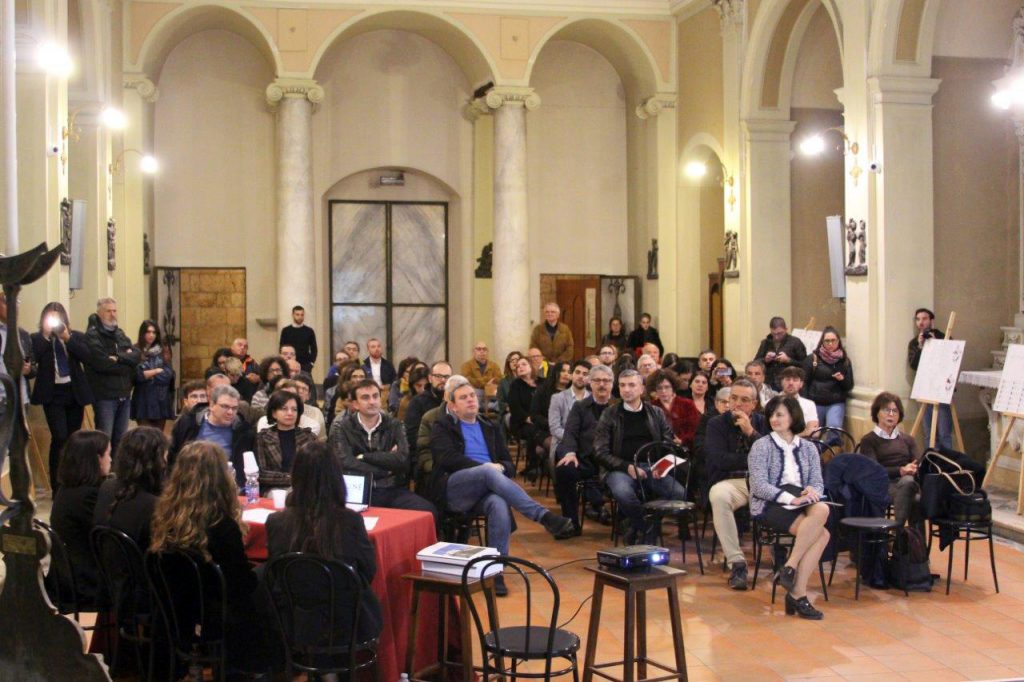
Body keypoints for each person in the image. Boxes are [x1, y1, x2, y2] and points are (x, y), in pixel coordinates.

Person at [428, 376, 576, 595]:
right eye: (463, 398)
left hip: (488, 489)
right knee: (488, 471)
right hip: (456, 488)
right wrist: (486, 468)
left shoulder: (490, 426)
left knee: (498, 503)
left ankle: (495, 571)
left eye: (472, 395)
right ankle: (543, 516)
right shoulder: (443, 426)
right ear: (452, 406)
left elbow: (508, 464)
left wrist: (500, 468)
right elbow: (446, 458)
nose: (471, 400)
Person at [149, 441, 272, 673]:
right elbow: (241, 585)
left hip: (176, 606)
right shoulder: (222, 526)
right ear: (220, 478)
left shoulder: (165, 516)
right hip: (216, 611)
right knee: (267, 577)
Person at [265, 440, 383, 644]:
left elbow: (276, 572)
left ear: (295, 476)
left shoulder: (276, 522)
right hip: (346, 620)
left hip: (295, 620)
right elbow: (367, 571)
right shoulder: (350, 521)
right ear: (336, 477)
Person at [748, 395, 829, 620]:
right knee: (822, 535)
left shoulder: (809, 448)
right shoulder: (761, 446)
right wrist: (789, 499)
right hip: (771, 502)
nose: (774, 419)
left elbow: (818, 481)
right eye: (771, 415)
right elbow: (758, 486)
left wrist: (811, 490)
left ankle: (789, 566)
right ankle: (798, 594)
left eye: (779, 414)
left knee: (823, 509)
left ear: (793, 417)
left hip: (802, 499)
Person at [594, 369, 688, 544]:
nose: (626, 389)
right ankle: (647, 527)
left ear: (642, 389)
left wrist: (662, 465)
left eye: (631, 385)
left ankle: (641, 524)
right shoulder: (609, 414)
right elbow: (600, 452)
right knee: (623, 493)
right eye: (622, 385)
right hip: (620, 468)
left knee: (679, 493)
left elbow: (668, 444)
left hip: (651, 467)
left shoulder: (656, 413)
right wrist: (627, 467)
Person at [330, 379, 438, 520]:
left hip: (392, 488)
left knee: (428, 512)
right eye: (365, 397)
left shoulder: (394, 425)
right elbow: (345, 462)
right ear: (355, 404)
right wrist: (385, 469)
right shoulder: (343, 427)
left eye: (375, 396)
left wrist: (364, 457)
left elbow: (403, 460)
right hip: (358, 491)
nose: (372, 401)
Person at [704, 379, 768, 590]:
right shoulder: (716, 424)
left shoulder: (763, 422)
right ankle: (737, 564)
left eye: (744, 400)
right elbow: (719, 460)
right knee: (718, 495)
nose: (737, 404)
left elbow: (771, 458)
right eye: (734, 398)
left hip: (761, 481)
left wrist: (751, 433)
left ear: (754, 404)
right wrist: (753, 459)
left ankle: (782, 560)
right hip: (731, 481)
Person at [30, 302, 93, 493]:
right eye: (50, 316)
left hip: (73, 392)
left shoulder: (75, 336)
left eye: (57, 317)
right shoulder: (37, 339)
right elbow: (34, 358)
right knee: (59, 437)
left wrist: (67, 339)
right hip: (52, 394)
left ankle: (72, 481)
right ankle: (57, 486)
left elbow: (87, 357)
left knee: (73, 439)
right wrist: (46, 335)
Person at [50, 430, 111, 606]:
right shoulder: (87, 496)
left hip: (70, 575)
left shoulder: (68, 488)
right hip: (85, 582)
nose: (111, 460)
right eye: (108, 454)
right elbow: (107, 537)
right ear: (97, 459)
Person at [555, 364, 613, 529]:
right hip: (586, 460)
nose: (602, 384)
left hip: (612, 461)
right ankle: (571, 523)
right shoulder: (580, 407)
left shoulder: (618, 407)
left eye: (606, 381)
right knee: (565, 469)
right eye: (597, 380)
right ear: (590, 383)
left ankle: (624, 521)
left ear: (612, 383)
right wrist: (570, 453)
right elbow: (570, 433)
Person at [94, 425, 167, 550]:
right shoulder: (153, 505)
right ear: (156, 462)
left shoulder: (106, 487)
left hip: (105, 560)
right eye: (164, 457)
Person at [83, 297, 140, 452]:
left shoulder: (119, 334)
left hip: (124, 394)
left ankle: (117, 467)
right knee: (104, 439)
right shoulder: (92, 336)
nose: (113, 314)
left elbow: (136, 356)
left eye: (115, 311)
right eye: (108, 311)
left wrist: (119, 358)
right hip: (105, 396)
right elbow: (102, 364)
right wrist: (126, 362)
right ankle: (103, 467)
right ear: (99, 313)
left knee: (121, 441)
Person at [168, 384, 254, 484]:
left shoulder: (244, 432)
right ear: (212, 405)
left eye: (234, 408)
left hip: (227, 483)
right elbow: (172, 458)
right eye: (225, 406)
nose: (230, 412)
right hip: (189, 481)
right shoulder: (187, 423)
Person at [858, 392, 921, 527]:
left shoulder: (908, 439)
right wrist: (900, 470)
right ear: (877, 413)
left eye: (895, 411)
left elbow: (918, 462)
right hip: (883, 484)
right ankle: (904, 533)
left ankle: (900, 532)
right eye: (887, 410)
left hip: (908, 483)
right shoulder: (868, 440)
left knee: (911, 487)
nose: (891, 414)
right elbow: (873, 471)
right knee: (915, 497)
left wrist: (913, 468)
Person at [908, 307, 953, 449]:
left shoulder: (944, 337)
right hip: (924, 388)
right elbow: (913, 365)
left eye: (924, 318)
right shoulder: (914, 342)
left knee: (944, 432)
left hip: (941, 390)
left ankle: (947, 460)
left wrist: (935, 345)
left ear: (931, 320)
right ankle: (931, 459)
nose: (921, 322)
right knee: (929, 433)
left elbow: (949, 362)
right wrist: (920, 347)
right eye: (918, 319)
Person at [255, 389, 317, 492]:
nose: (290, 413)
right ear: (274, 413)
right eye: (284, 409)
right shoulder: (263, 437)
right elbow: (261, 473)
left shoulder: (309, 437)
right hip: (274, 488)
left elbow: (317, 468)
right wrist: (290, 478)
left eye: (294, 409)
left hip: (304, 488)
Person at [802, 326, 853, 444]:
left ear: (838, 341)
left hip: (835, 402)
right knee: (813, 434)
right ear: (822, 342)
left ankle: (831, 454)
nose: (830, 344)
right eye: (827, 341)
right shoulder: (812, 359)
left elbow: (849, 385)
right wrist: (806, 403)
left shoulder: (844, 361)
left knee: (834, 430)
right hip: (815, 402)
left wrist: (842, 379)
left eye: (833, 340)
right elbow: (804, 382)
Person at [131, 319, 175, 431]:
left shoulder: (163, 351)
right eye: (148, 332)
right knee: (144, 435)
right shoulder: (135, 350)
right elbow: (137, 376)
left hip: (160, 399)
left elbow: (167, 375)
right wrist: (156, 371)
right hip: (143, 399)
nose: (151, 335)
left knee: (158, 435)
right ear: (142, 333)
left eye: (154, 332)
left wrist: (148, 374)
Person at [528, 361, 571, 474]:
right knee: (560, 446)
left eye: (569, 372)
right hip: (545, 431)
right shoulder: (543, 391)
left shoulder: (573, 392)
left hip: (568, 431)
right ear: (556, 372)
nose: (566, 374)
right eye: (563, 371)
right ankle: (558, 477)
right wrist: (553, 425)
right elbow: (534, 415)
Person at [547, 360, 591, 462]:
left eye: (585, 374)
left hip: (588, 443)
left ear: (589, 379)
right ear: (571, 375)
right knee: (571, 462)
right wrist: (575, 439)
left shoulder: (592, 398)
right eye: (577, 372)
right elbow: (555, 428)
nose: (581, 376)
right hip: (563, 442)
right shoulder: (557, 398)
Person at [647, 369, 701, 450]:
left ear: (673, 387)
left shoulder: (687, 404)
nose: (663, 391)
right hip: (659, 449)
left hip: (685, 449)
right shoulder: (651, 407)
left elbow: (695, 429)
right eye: (659, 388)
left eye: (667, 387)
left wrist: (682, 440)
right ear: (655, 389)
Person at [404, 361, 450, 447]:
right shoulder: (417, 402)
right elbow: (412, 436)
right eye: (438, 376)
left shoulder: (455, 401)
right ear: (430, 378)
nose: (443, 380)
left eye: (447, 377)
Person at [754, 317, 808, 391]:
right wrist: (765, 360)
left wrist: (788, 360)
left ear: (786, 329)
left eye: (780, 333)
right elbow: (755, 363)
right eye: (774, 334)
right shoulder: (765, 343)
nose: (776, 337)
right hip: (768, 383)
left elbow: (805, 364)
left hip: (788, 383)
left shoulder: (796, 342)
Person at [507, 356, 540, 477]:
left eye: (524, 364)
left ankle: (547, 464)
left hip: (540, 420)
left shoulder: (542, 383)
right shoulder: (515, 385)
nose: (520, 367)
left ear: (531, 367)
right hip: (521, 423)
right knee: (533, 430)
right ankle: (533, 466)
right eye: (518, 366)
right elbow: (515, 408)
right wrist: (528, 418)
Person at [778, 366, 819, 436]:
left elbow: (814, 432)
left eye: (795, 380)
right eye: (787, 379)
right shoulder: (770, 403)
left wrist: (790, 437)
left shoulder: (809, 404)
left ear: (801, 384)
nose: (791, 383)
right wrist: (804, 433)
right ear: (782, 382)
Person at [279, 305, 317, 373]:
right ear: (293, 315)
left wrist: (311, 363)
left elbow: (314, 349)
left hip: (305, 365)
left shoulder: (309, 331)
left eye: (302, 315)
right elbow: (281, 348)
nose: (300, 317)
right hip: (289, 364)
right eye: (297, 314)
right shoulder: (286, 331)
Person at [291, 373, 327, 439]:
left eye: (304, 389)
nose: (300, 391)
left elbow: (322, 439)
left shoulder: (316, 413)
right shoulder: (282, 410)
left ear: (308, 396)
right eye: (297, 388)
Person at [495, 351, 522, 422]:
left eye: (517, 359)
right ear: (508, 364)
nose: (514, 362)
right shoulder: (503, 382)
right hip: (509, 413)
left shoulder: (527, 379)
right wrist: (511, 408)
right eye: (512, 360)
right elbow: (500, 402)